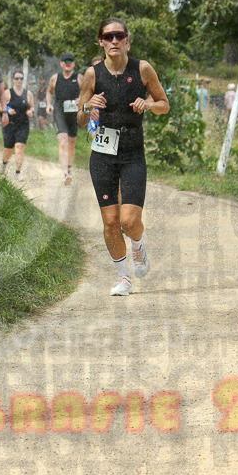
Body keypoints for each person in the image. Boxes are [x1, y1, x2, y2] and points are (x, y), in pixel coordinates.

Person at [76, 17, 170, 296]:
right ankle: (123, 277)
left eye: (119, 36)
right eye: (108, 37)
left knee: (129, 221)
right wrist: (87, 104)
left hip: (131, 153)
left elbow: (164, 105)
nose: (114, 41)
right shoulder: (92, 74)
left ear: (128, 41)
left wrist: (149, 104)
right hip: (103, 155)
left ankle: (138, 247)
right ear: (101, 42)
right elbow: (80, 120)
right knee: (110, 222)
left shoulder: (142, 69)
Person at [46, 53, 81, 185]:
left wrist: (82, 100)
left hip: (73, 112)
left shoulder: (79, 78)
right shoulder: (55, 78)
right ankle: (65, 173)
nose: (68, 63)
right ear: (61, 63)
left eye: (70, 61)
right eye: (65, 61)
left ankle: (69, 167)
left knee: (72, 142)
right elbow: (49, 91)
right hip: (59, 110)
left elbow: (87, 92)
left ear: (73, 64)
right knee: (62, 141)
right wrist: (49, 104)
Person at [1, 71, 34, 180]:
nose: (19, 81)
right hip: (10, 125)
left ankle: (18, 172)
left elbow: (32, 107)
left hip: (23, 125)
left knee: (19, 148)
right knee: (9, 150)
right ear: (13, 80)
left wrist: (31, 111)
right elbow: (0, 107)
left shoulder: (28, 94)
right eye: (17, 78)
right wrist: (8, 109)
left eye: (21, 78)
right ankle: (4, 164)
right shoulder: (7, 93)